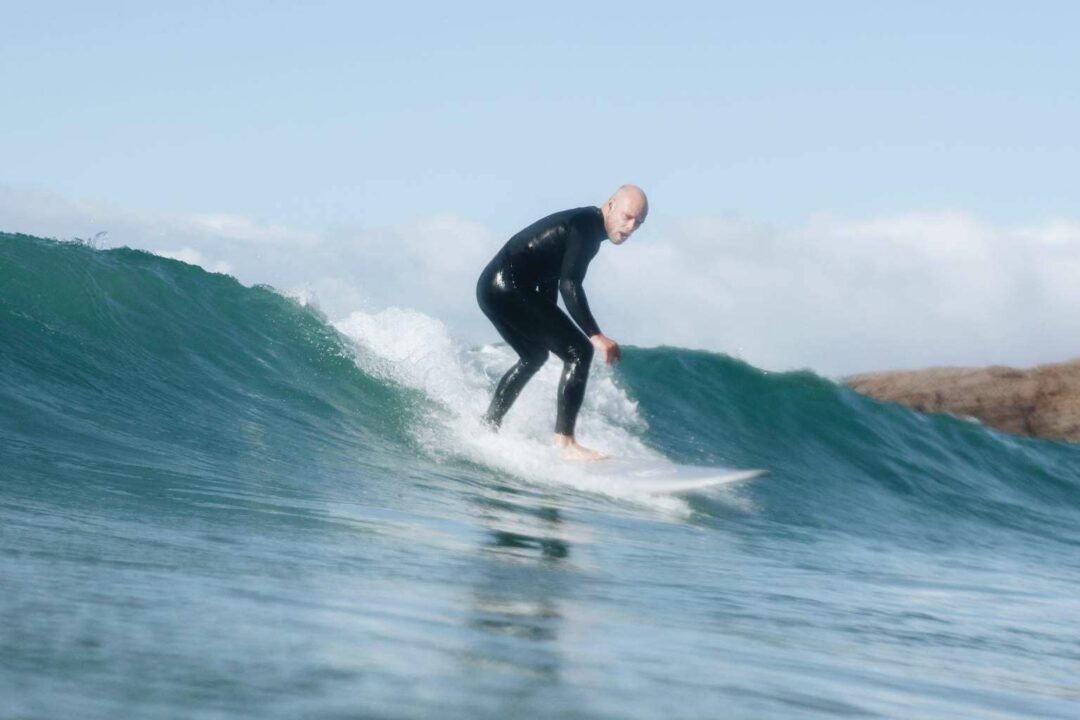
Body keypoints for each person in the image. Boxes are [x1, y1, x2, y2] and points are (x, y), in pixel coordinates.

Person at [476, 185, 649, 460]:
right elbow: (570, 283)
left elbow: (549, 277)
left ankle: (488, 425)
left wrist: (552, 320)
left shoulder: (583, 226)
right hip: (507, 287)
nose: (631, 227)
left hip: (491, 288)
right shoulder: (586, 229)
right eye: (627, 217)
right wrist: (595, 334)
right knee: (580, 351)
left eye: (638, 223)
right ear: (611, 204)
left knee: (533, 356)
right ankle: (565, 443)